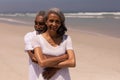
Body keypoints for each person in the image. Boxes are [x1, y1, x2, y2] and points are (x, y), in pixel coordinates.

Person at [32, 8, 76, 80]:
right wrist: (64, 57)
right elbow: (42, 63)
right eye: (51, 21)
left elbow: (72, 62)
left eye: (57, 21)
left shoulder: (67, 38)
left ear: (60, 23)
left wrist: (54, 68)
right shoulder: (37, 39)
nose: (54, 24)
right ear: (46, 21)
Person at [24, 11, 46, 80]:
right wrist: (54, 67)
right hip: (35, 76)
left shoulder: (52, 38)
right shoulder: (30, 36)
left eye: (41, 24)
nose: (37, 26)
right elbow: (33, 58)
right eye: (36, 23)